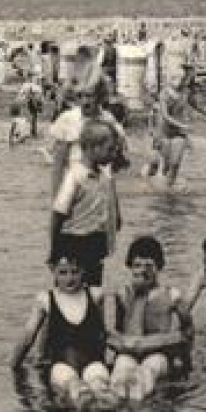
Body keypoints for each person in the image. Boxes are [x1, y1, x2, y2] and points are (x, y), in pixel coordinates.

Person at [9, 246, 112, 408]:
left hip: (92, 361)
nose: (69, 278)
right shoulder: (45, 299)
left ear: (83, 271)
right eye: (63, 273)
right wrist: (13, 365)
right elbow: (28, 336)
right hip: (62, 364)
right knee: (76, 389)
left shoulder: (95, 295)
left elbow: (102, 333)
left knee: (102, 390)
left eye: (74, 272)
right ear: (53, 270)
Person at [107, 236, 191, 401]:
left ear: (159, 267)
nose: (142, 271)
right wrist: (138, 296)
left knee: (148, 370)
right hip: (130, 351)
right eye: (137, 265)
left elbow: (188, 331)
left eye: (149, 266)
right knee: (121, 369)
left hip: (158, 354)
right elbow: (116, 331)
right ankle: (116, 411)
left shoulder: (171, 295)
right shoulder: (122, 295)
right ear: (129, 267)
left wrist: (181, 358)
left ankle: (139, 411)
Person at [49, 120, 122, 296]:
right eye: (109, 149)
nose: (113, 154)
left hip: (96, 241)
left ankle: (91, 320)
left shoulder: (104, 175)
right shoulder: (75, 176)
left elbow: (109, 206)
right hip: (74, 242)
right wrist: (54, 250)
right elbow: (58, 214)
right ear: (92, 148)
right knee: (70, 292)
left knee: (93, 291)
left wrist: (116, 222)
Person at [48, 79, 128, 197]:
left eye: (90, 96)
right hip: (74, 187)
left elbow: (118, 157)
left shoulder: (109, 120)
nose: (85, 101)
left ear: (100, 97)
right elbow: (58, 165)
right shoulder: (68, 119)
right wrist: (56, 197)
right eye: (81, 96)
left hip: (103, 188)